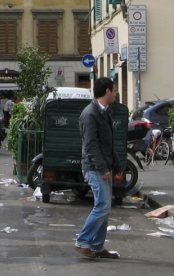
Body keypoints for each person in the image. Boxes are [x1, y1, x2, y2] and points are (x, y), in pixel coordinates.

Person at [74, 77, 122, 259]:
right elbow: (91, 145)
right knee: (102, 205)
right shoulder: (90, 114)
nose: (116, 93)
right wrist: (103, 168)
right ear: (107, 91)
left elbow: (107, 144)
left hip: (103, 165)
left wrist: (115, 164)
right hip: (94, 167)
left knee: (105, 206)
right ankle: (83, 241)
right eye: (115, 90)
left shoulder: (103, 112)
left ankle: (97, 246)